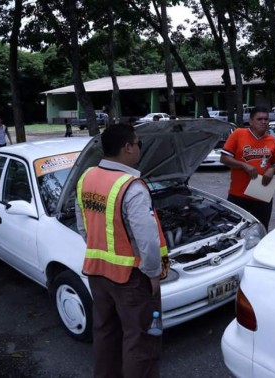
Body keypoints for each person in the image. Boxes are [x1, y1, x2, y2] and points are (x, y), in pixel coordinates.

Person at [75, 123, 168, 377]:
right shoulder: (131, 186)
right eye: (138, 143)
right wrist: (152, 274)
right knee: (141, 340)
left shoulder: (86, 178)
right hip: (131, 280)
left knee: (106, 334)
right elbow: (147, 241)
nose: (139, 148)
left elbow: (82, 226)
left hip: (97, 274)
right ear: (127, 148)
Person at [220, 106, 275, 230]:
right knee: (235, 231)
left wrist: (272, 170)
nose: (264, 122)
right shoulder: (239, 134)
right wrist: (243, 165)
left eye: (266, 119)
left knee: (261, 231)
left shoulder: (271, 140)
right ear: (251, 121)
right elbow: (224, 158)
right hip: (239, 195)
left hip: (262, 194)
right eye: (259, 119)